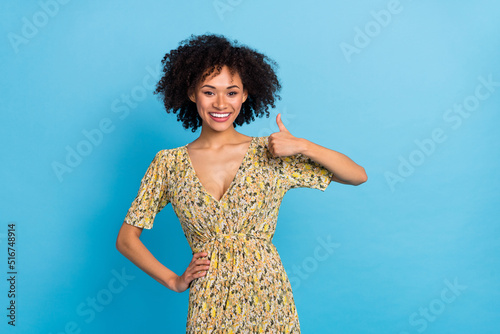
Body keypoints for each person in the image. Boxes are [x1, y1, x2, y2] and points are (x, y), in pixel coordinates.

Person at [116, 33, 367, 333]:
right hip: (208, 302)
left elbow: (356, 176)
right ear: (192, 93)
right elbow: (126, 239)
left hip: (270, 299)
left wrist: (303, 145)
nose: (221, 103)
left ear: (246, 94)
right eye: (209, 92)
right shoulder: (168, 164)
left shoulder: (272, 151)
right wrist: (175, 280)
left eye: (231, 92)